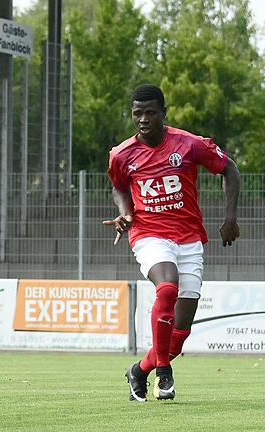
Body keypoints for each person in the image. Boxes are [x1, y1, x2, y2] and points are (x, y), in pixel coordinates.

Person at [105, 84, 240, 402]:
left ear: (164, 113)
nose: (143, 119)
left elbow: (229, 169)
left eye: (150, 112)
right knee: (167, 288)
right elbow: (119, 187)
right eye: (137, 113)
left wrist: (230, 219)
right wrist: (125, 214)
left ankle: (139, 370)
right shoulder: (121, 154)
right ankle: (164, 374)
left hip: (189, 238)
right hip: (149, 235)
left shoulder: (190, 144)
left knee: (177, 337)